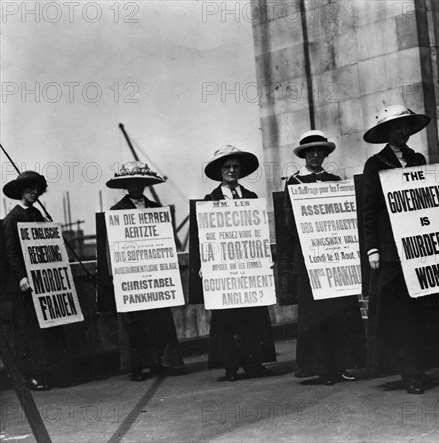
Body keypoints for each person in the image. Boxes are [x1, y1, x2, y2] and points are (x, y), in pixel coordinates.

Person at [362, 105, 439, 394]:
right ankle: (408, 372)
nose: (402, 132)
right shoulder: (376, 164)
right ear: (386, 132)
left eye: (406, 127)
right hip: (391, 251)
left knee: (421, 310)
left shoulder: (418, 159)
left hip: (419, 247)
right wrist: (373, 248)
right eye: (396, 127)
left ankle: (422, 366)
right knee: (399, 313)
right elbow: (368, 209)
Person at [283, 130, 366, 386]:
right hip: (311, 261)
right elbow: (290, 222)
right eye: (310, 151)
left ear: (326, 153)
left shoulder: (335, 180)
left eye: (320, 150)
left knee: (339, 314)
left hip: (336, 259)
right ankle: (321, 368)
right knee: (316, 318)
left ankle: (341, 365)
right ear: (304, 155)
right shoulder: (295, 183)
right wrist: (313, 244)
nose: (316, 155)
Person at [202, 145, 276, 381]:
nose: (231, 170)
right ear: (219, 171)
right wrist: (205, 263)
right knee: (228, 318)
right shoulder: (210, 200)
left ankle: (254, 363)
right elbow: (205, 235)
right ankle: (231, 366)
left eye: (235, 167)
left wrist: (266, 257)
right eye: (227, 167)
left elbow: (259, 232)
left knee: (252, 317)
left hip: (249, 268)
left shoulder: (251, 198)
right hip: (225, 271)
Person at [106, 161, 185, 381]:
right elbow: (112, 246)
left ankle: (160, 362)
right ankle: (137, 367)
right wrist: (116, 273)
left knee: (157, 319)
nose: (136, 187)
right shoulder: (116, 211)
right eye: (131, 183)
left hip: (154, 272)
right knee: (134, 321)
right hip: (131, 273)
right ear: (126, 186)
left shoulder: (156, 209)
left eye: (140, 183)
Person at [2, 171, 67, 390]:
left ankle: (50, 372)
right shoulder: (13, 217)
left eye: (37, 189)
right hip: (26, 285)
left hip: (43, 283)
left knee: (47, 330)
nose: (34, 192)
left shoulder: (38, 214)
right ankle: (31, 376)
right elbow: (11, 251)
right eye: (30, 189)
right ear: (21, 191)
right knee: (28, 332)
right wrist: (21, 277)